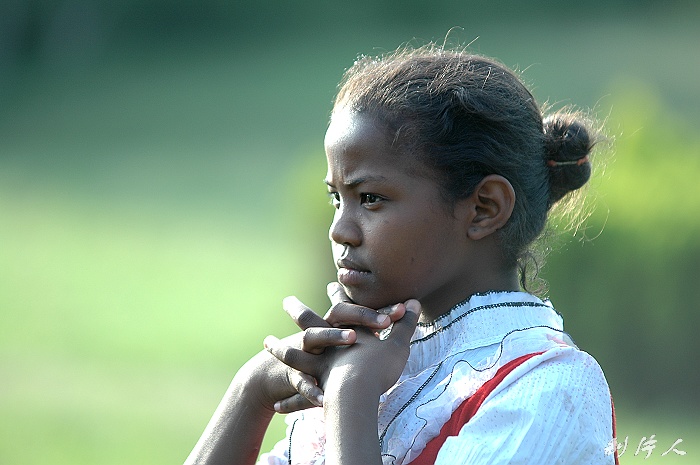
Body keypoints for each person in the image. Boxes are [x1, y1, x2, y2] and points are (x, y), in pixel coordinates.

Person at [185, 44, 619, 465]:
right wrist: (254, 387)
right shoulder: (374, 362)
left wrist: (350, 396)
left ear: (484, 207)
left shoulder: (547, 387)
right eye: (337, 198)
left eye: (371, 198)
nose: (339, 230)